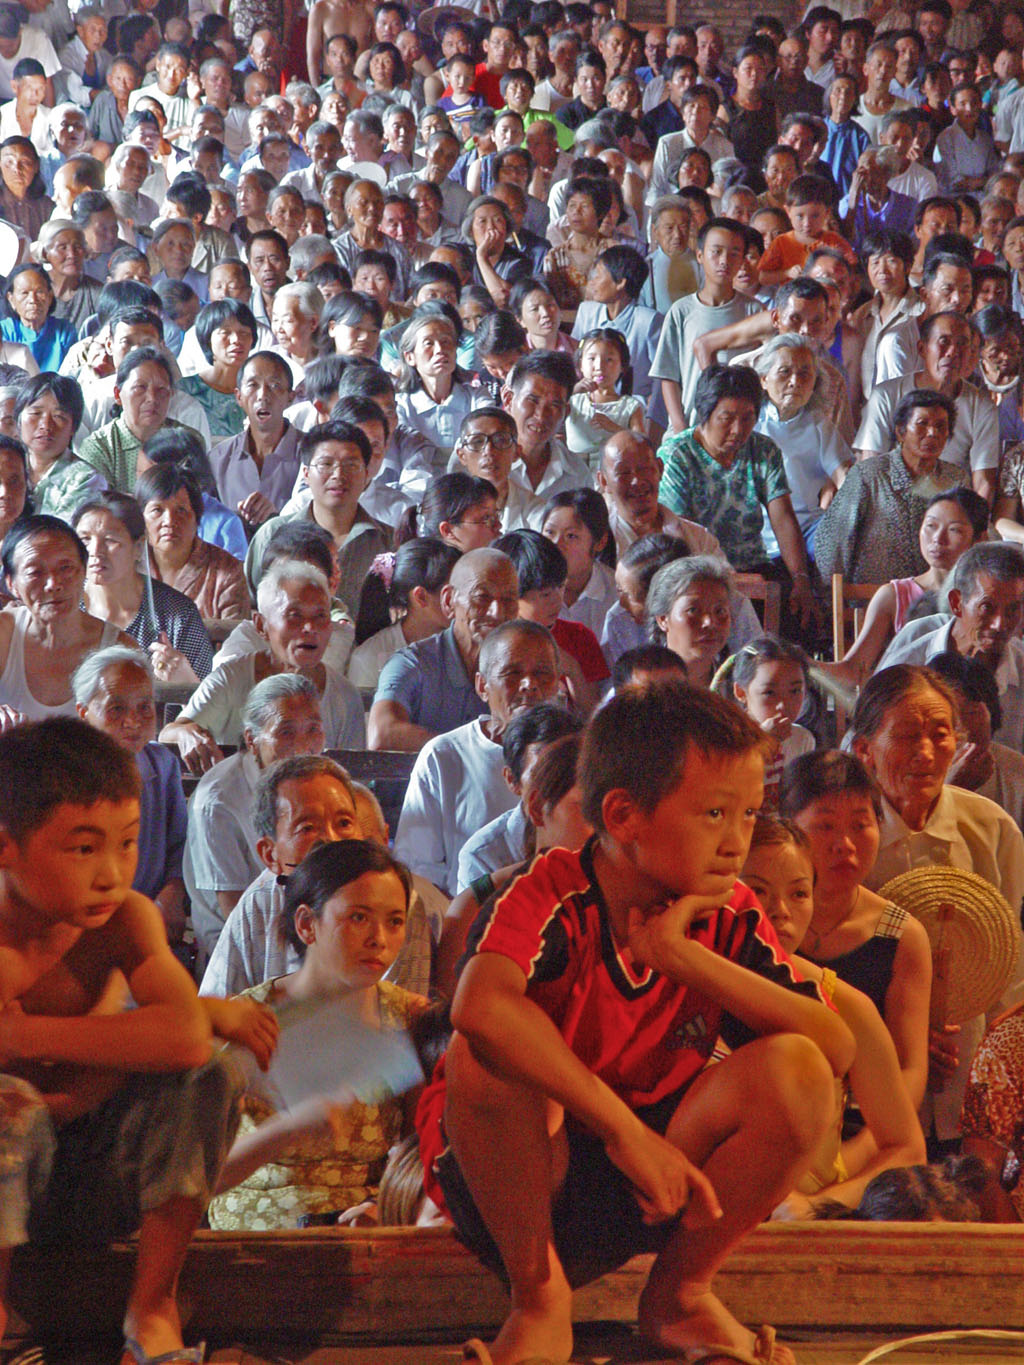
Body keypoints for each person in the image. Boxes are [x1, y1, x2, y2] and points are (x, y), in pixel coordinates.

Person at [416, 680, 853, 1365]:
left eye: (749, 814)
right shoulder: (550, 888)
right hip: (526, 1184)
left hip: (662, 1181)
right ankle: (540, 1302)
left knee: (798, 1071)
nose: (737, 841)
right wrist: (623, 1131)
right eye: (715, 813)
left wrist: (682, 957)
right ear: (623, 815)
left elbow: (835, 1046)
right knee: (484, 1054)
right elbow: (479, 1008)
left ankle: (681, 1295)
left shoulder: (728, 910)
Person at [0, 718, 245, 1365]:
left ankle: (153, 1305)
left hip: (98, 1178)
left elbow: (186, 1036)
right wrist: (104, 1058)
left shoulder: (126, 920)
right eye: (84, 849)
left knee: (210, 1075)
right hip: (11, 1187)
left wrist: (28, 1034)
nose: (112, 873)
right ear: (5, 847)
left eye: (129, 843)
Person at [208, 837, 429, 1231]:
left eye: (395, 921)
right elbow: (194, 1178)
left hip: (363, 1231)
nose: (379, 939)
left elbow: (421, 1157)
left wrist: (386, 1207)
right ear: (307, 924)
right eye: (358, 917)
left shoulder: (409, 1021)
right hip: (251, 1239)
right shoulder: (247, 1020)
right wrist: (286, 1130)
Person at [845, 665, 1024, 1148]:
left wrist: (999, 1062)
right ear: (864, 749)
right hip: (866, 1071)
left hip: (972, 1064)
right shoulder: (844, 835)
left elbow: (1008, 964)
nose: (926, 753)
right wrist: (902, 1036)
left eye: (941, 734)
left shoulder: (990, 828)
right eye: (906, 736)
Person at [741, 817, 927, 1220]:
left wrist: (814, 1207)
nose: (780, 912)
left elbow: (907, 1148)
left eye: (799, 893)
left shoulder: (846, 1004)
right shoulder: (685, 984)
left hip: (806, 1228)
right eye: (758, 891)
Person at [778, 749, 932, 1133]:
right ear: (789, 829)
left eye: (861, 824)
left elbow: (910, 1069)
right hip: (772, 1116)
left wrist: (869, 1148)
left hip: (866, 1127)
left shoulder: (901, 935)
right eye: (825, 826)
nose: (844, 844)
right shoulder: (760, 921)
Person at [395, 618, 562, 894]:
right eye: (512, 673)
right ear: (482, 686)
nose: (529, 685)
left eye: (542, 673)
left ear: (558, 682)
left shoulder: (576, 755)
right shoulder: (444, 756)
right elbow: (418, 871)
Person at [160, 559, 365, 775]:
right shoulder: (232, 678)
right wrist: (186, 733)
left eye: (320, 615)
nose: (310, 627)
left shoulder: (344, 695)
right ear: (260, 625)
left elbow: (354, 778)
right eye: (295, 615)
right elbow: (170, 733)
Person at [656, 365, 816, 630]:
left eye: (748, 418)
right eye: (727, 418)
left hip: (754, 568)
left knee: (798, 613)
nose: (737, 429)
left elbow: (783, 518)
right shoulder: (677, 455)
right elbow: (680, 532)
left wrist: (801, 579)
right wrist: (725, 580)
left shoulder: (763, 450)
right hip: (698, 574)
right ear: (706, 414)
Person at [184, 674, 327, 963]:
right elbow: (237, 914)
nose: (303, 746)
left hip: (311, 935)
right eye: (286, 732)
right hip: (240, 949)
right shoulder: (219, 801)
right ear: (251, 740)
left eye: (313, 729)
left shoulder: (321, 781)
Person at [72, 645, 188, 946]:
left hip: (149, 917)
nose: (133, 721)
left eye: (144, 707)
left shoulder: (162, 765)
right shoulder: (64, 777)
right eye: (116, 708)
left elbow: (179, 845)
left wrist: (173, 893)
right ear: (84, 714)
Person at [827, 487, 988, 689]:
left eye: (954, 529)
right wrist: (803, 663)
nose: (938, 538)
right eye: (931, 526)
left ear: (980, 539)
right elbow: (853, 670)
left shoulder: (988, 599)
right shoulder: (893, 596)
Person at [369, 545, 520, 752]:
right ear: (449, 601)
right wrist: (471, 753)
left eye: (509, 599)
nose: (497, 613)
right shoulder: (413, 664)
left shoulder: (522, 669)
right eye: (482, 597)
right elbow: (383, 734)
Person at [877, 542, 1024, 752]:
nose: (999, 624)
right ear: (956, 603)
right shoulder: (910, 659)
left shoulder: (1020, 665)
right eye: (987, 607)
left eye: (1012, 610)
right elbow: (866, 740)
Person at [815, 390, 970, 586]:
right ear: (900, 432)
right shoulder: (868, 476)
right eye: (922, 424)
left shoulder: (955, 480)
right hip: (870, 597)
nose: (932, 433)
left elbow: (975, 536)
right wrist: (835, 596)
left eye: (940, 426)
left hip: (934, 598)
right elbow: (833, 544)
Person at [0, 515, 129, 727]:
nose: (53, 584)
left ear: (84, 570)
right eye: (35, 572)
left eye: (66, 568)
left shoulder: (117, 649)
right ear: (11, 584)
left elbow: (132, 734)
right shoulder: (4, 635)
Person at [73, 492, 213, 685]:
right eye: (85, 540)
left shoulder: (177, 615)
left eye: (110, 540)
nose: (95, 551)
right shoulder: (66, 605)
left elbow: (208, 696)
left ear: (138, 547)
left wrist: (185, 680)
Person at [135, 465, 250, 626]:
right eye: (157, 510)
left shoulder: (227, 572)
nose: (169, 521)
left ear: (197, 518)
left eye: (181, 510)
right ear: (141, 517)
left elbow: (237, 636)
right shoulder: (127, 566)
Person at [207, 351, 303, 534]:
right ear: (238, 397)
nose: (263, 395)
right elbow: (207, 526)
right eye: (252, 385)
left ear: (290, 397)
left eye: (275, 386)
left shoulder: (311, 454)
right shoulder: (217, 459)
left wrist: (279, 516)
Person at [349, 538, 460, 690]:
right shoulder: (370, 657)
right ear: (421, 597)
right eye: (454, 592)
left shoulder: (467, 642)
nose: (465, 600)